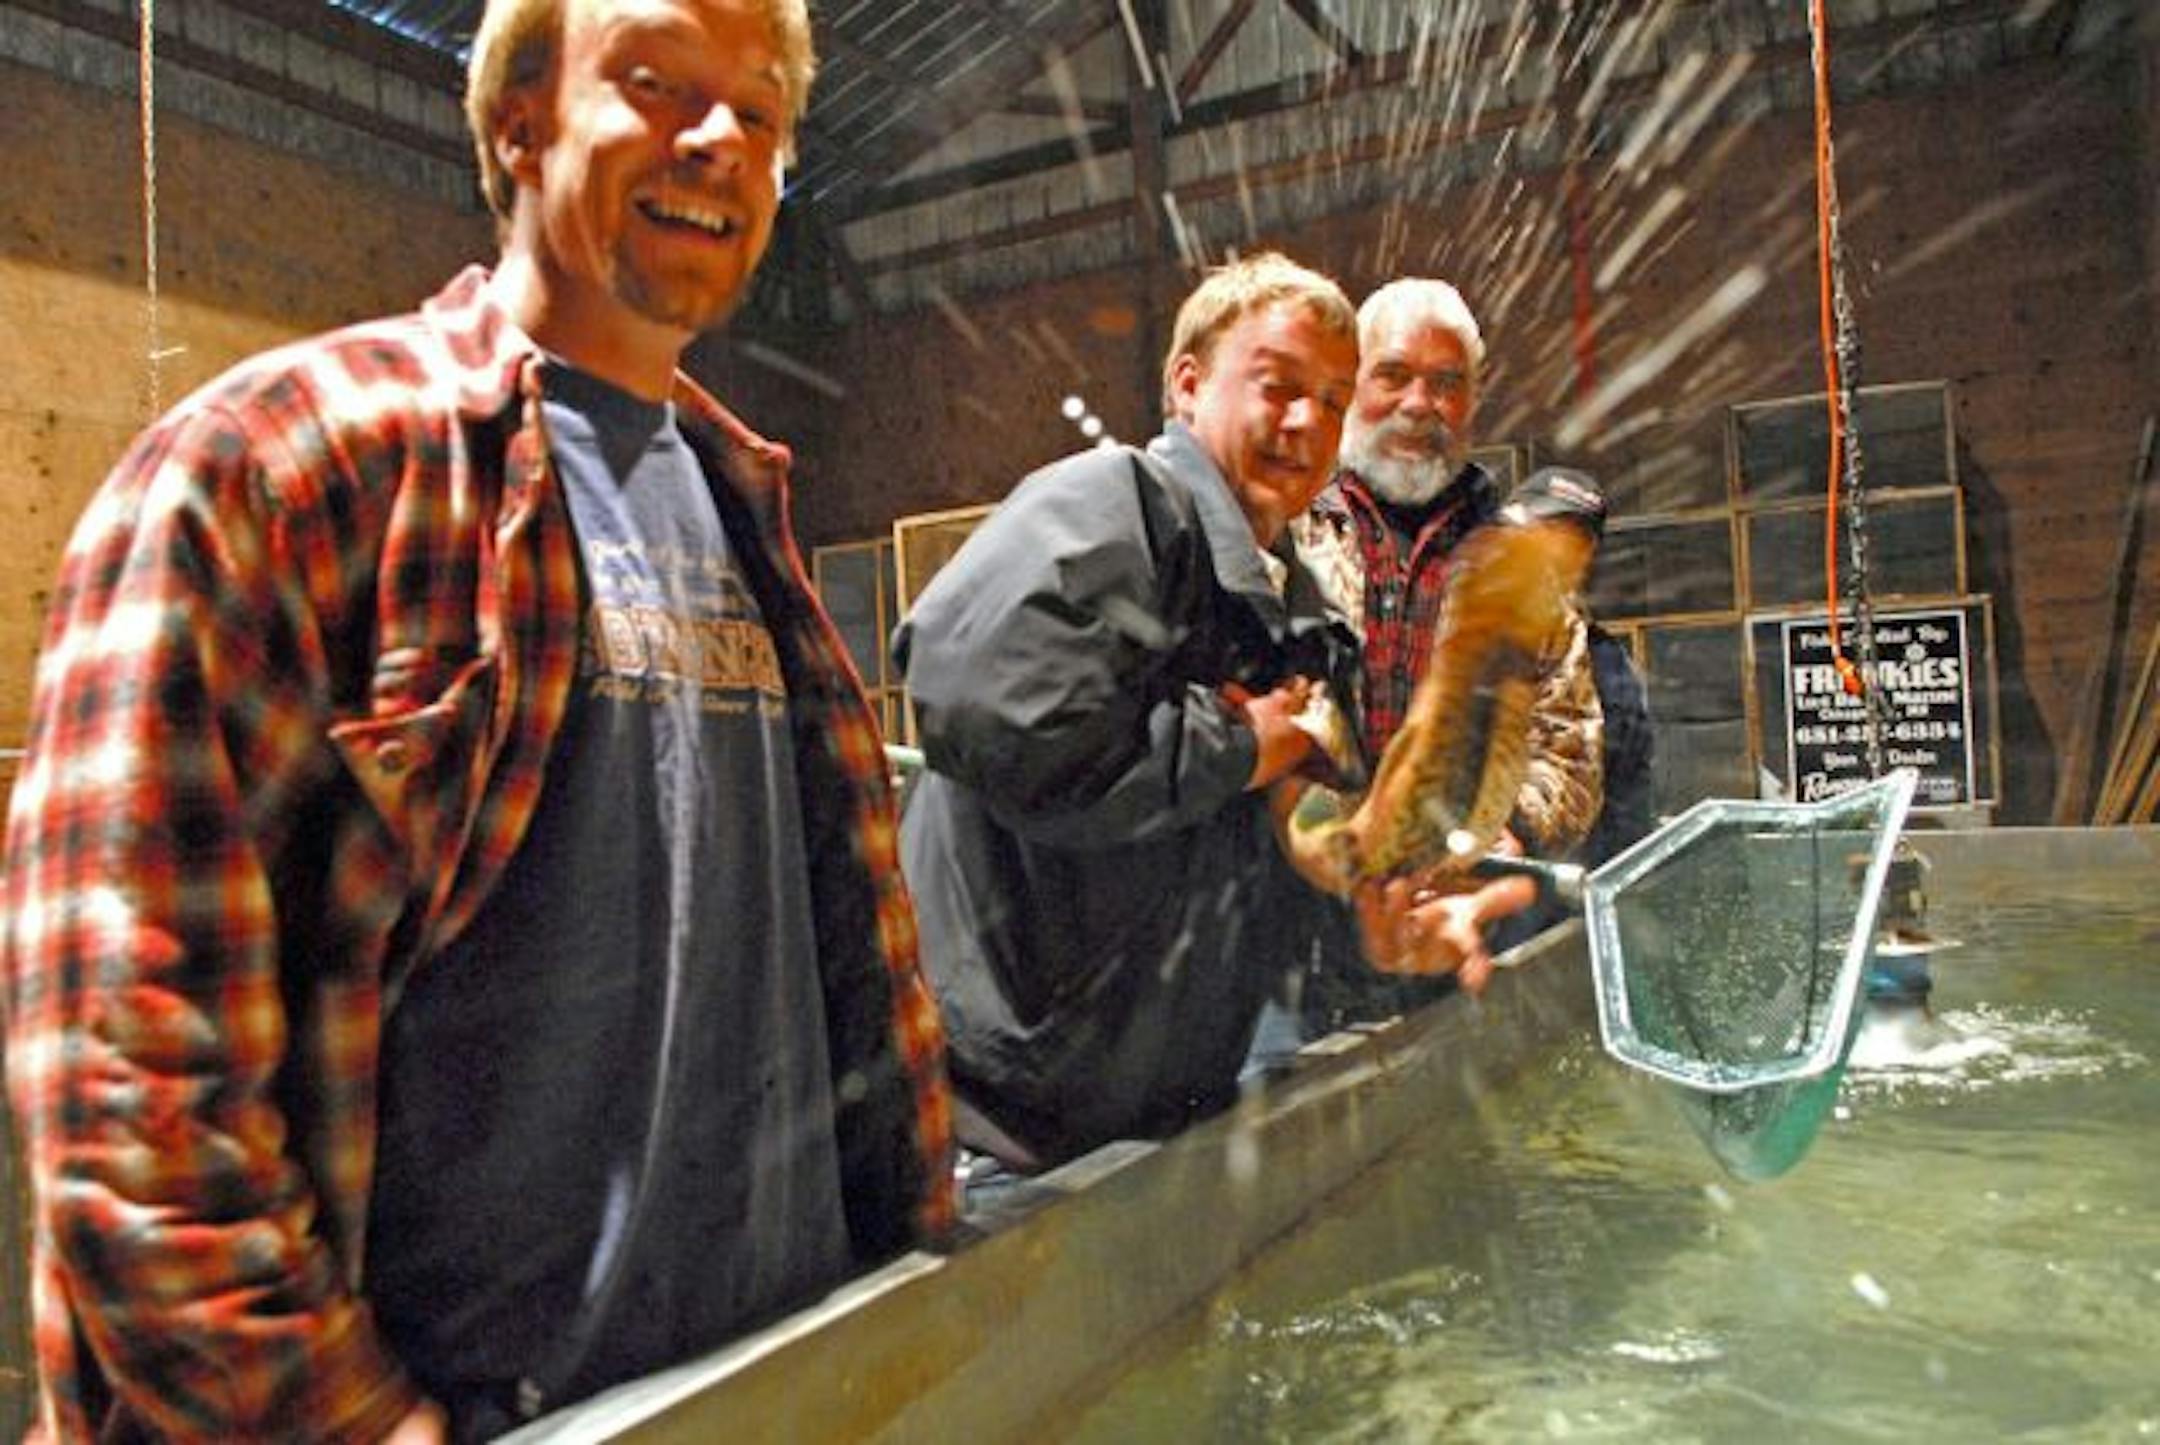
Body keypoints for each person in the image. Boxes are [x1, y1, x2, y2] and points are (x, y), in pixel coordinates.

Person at [1, 1, 952, 1439]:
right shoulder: (273, 469)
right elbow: (130, 1097)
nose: (719, 138)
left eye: (759, 113)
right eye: (653, 83)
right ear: (516, 120)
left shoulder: (745, 501)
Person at [894, 254, 1534, 1181]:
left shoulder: (1300, 618)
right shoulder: (1116, 503)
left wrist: (1376, 925)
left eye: (1331, 395)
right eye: (1277, 386)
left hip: (1148, 1117)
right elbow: (983, 699)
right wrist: (1239, 744)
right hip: (990, 1121)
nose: (1307, 421)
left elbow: (1292, 849)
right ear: (1187, 384)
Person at [1286, 278, 1605, 1033]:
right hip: (1295, 942)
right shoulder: (1283, 538)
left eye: (1446, 383)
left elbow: (1570, 751)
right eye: (1392, 375)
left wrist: (1502, 832)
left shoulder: (1521, 574)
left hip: (1451, 933)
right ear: (1349, 386)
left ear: (1473, 401)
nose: (1419, 403)